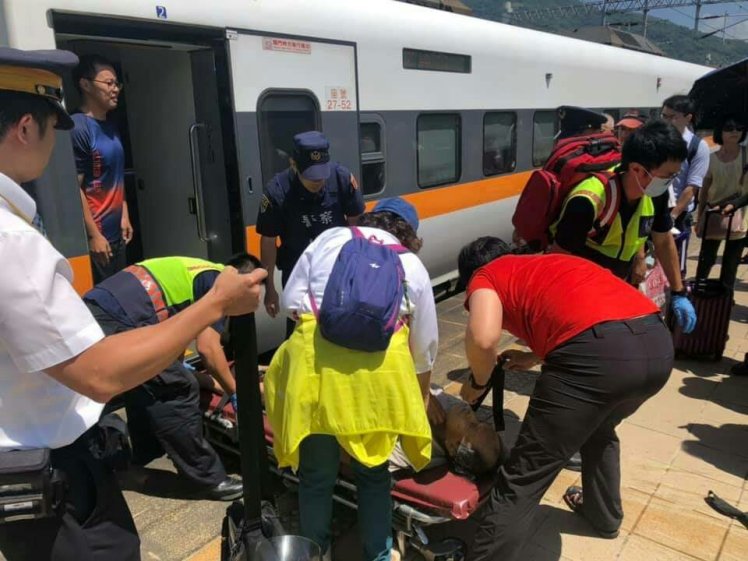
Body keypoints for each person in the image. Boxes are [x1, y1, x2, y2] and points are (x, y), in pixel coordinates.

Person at [0, 46, 265, 561]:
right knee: (175, 388)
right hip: (51, 469)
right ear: (26, 128)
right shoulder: (12, 240)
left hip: (28, 457)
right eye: (53, 129)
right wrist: (216, 306)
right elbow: (99, 374)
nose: (55, 145)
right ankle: (208, 477)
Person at [457, 237, 674, 561]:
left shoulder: (486, 275)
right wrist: (534, 356)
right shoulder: (548, 262)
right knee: (599, 429)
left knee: (523, 476)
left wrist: (478, 382)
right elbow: (582, 310)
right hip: (657, 346)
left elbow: (483, 338)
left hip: (598, 358)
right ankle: (604, 516)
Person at [264, 198, 438, 561]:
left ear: (369, 219)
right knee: (374, 476)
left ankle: (317, 552)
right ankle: (378, 555)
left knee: (316, 476)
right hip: (378, 380)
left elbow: (293, 303)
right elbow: (424, 349)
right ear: (409, 234)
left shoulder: (329, 239)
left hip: (315, 373)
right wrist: (419, 400)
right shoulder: (411, 265)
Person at [83, 254, 263, 499]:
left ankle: (146, 452)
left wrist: (201, 376)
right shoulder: (220, 285)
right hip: (122, 316)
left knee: (144, 381)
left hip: (101, 308)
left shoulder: (200, 271)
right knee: (177, 388)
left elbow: (172, 342)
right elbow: (209, 350)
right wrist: (235, 391)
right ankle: (207, 480)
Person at [551, 120, 697, 334]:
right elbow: (557, 261)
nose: (671, 182)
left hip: (616, 287)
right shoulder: (588, 201)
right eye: (668, 176)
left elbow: (663, 240)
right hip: (579, 294)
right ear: (637, 169)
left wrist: (678, 292)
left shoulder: (654, 193)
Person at [257, 130, 365, 336]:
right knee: (300, 332)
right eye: (311, 177)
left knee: (345, 329)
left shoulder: (341, 178)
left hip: (339, 267)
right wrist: (269, 288)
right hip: (298, 273)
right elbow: (268, 240)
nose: (318, 182)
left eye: (322, 176)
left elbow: (357, 226)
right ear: (293, 164)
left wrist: (360, 270)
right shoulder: (277, 192)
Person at [71, 54, 131, 283]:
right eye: (108, 83)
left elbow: (115, 176)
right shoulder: (78, 127)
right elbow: (74, 188)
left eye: (117, 83)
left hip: (116, 234)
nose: (115, 89)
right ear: (85, 85)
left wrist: (124, 214)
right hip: (98, 238)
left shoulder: (111, 126)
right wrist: (93, 235)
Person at [389, 387, 503, 478]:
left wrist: (421, 395)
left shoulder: (415, 454)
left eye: (471, 425)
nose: (471, 414)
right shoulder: (456, 408)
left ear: (452, 447)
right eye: (479, 420)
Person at [694, 116, 748, 289]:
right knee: (706, 259)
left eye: (739, 128)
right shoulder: (711, 157)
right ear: (720, 132)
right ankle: (700, 292)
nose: (734, 132)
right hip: (714, 213)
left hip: (740, 215)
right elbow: (704, 191)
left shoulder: (746, 155)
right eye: (729, 128)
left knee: (731, 262)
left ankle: (726, 296)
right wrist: (700, 217)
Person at [661, 95, 710, 278]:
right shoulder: (657, 140)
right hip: (653, 209)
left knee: (675, 267)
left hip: (678, 215)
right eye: (664, 116)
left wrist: (672, 216)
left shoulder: (697, 147)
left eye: (672, 117)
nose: (667, 121)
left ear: (688, 118)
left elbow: (692, 186)